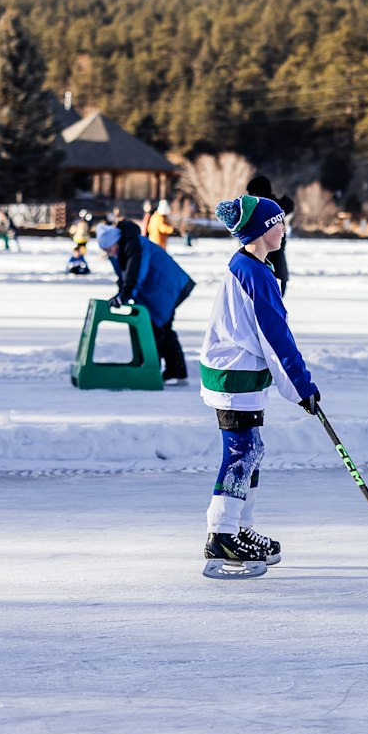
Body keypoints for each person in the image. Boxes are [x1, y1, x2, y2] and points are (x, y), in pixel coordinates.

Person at [198, 193, 318, 578]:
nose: (284, 229)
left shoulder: (253, 267)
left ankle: (239, 527)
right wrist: (301, 387)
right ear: (264, 229)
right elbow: (276, 338)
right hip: (233, 375)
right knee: (241, 453)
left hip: (240, 373)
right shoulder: (254, 273)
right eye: (279, 223)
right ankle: (221, 533)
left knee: (251, 452)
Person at [97, 217, 196, 385]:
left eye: (109, 249)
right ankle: (169, 371)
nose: (109, 253)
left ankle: (162, 372)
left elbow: (136, 273)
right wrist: (122, 293)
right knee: (157, 328)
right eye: (105, 250)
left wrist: (125, 294)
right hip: (155, 291)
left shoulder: (136, 245)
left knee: (159, 328)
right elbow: (124, 276)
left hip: (168, 287)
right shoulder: (120, 250)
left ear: (116, 242)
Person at [246, 175, 292, 296]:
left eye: (252, 194)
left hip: (272, 271)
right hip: (277, 270)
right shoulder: (274, 210)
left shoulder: (268, 214)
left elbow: (269, 246)